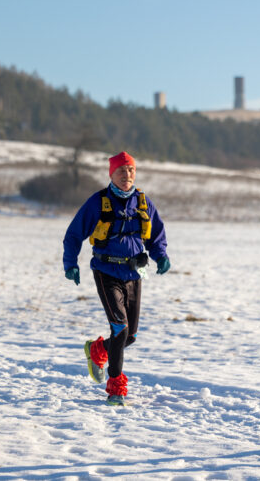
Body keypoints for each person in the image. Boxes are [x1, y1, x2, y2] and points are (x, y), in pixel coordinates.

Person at [62, 151, 170, 406]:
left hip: (133, 273)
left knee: (130, 336)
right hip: (106, 271)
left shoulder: (143, 201)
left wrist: (161, 255)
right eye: (121, 170)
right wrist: (70, 263)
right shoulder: (98, 202)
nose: (126, 175)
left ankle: (98, 350)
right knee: (120, 328)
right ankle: (116, 389)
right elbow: (74, 234)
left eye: (130, 170)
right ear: (111, 174)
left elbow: (156, 235)